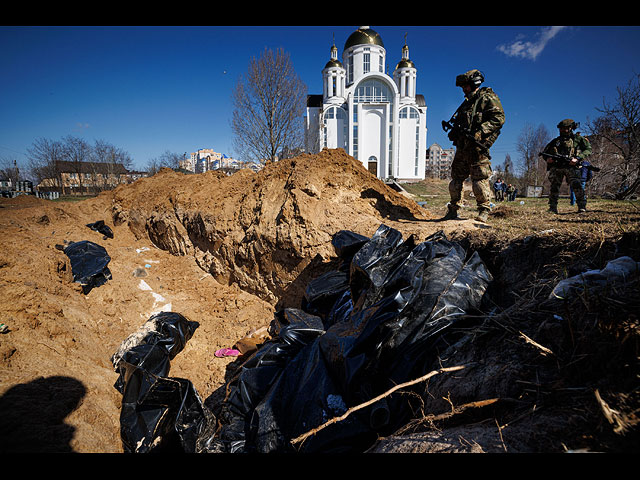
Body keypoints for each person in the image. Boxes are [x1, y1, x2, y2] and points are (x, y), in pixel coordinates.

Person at [442, 69, 505, 222]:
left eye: (466, 85)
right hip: (462, 147)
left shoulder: (487, 98)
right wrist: (455, 133)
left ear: (473, 83)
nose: (463, 88)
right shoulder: (466, 103)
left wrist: (481, 131)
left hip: (477, 148)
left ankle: (483, 211)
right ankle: (453, 210)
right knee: (455, 180)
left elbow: (499, 118)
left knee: (479, 180)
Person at [541, 119, 592, 213]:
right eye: (561, 129)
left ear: (571, 128)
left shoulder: (578, 139)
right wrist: (548, 159)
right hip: (557, 167)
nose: (562, 131)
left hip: (572, 166)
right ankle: (552, 207)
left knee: (577, 186)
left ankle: (582, 206)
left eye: (565, 128)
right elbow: (545, 153)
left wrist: (577, 158)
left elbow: (588, 149)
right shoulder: (556, 141)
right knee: (554, 187)